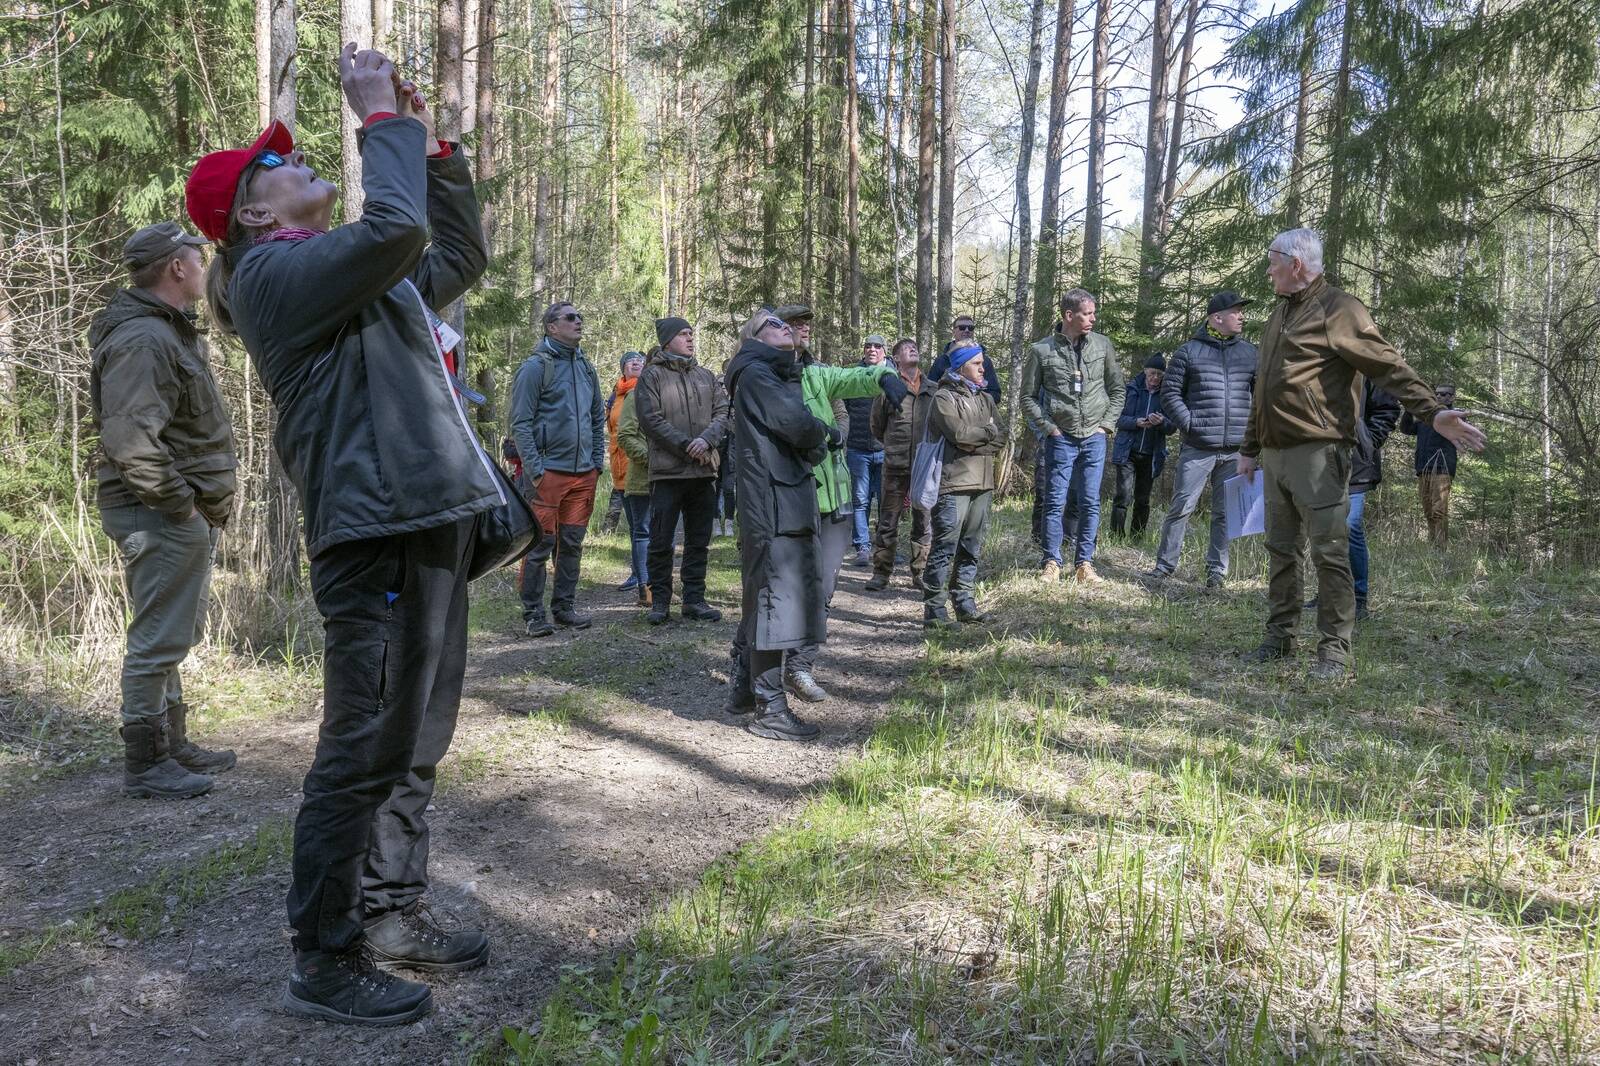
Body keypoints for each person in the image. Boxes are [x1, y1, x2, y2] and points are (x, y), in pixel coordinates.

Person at [189, 45, 493, 1023]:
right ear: (253, 212)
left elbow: (452, 257)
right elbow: (396, 227)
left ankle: (394, 910)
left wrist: (434, 147)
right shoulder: (271, 278)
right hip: (373, 532)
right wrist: (378, 123)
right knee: (359, 742)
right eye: (276, 160)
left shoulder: (348, 275)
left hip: (427, 520)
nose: (296, 156)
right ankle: (322, 957)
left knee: (413, 738)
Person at [1238, 228, 1486, 679]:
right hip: (1274, 456)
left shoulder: (1340, 309)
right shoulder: (1278, 314)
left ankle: (1334, 651)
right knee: (1279, 550)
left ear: (1296, 263)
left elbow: (1387, 366)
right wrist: (1249, 447)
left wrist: (1432, 413)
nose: (1267, 268)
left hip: (1319, 452)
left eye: (1272, 260)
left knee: (1329, 553)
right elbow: (1265, 390)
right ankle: (1278, 639)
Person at [89, 221, 239, 801]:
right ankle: (146, 763)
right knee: (156, 637)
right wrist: (182, 507)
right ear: (177, 268)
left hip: (170, 511)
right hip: (156, 512)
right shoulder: (144, 340)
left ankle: (172, 743)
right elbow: (131, 440)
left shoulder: (164, 332)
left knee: (170, 629)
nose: (203, 267)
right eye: (197, 259)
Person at [775, 303, 904, 704]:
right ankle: (751, 667)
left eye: (806, 324)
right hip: (786, 498)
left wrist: (887, 375)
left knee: (825, 585)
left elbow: (855, 378)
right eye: (794, 324)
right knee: (780, 588)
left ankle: (799, 666)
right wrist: (820, 434)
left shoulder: (817, 373)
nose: (804, 329)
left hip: (832, 500)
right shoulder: (762, 375)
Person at [723, 310, 834, 740]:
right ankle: (770, 709)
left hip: (779, 498)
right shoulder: (757, 374)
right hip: (773, 504)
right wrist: (821, 434)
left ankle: (744, 691)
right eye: (772, 323)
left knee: (764, 596)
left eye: (783, 323)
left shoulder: (769, 374)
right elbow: (798, 425)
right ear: (755, 338)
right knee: (774, 602)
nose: (783, 326)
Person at [1147, 291, 1260, 587]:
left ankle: (1216, 573)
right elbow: (1169, 394)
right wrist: (1190, 424)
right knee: (1181, 507)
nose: (1242, 316)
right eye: (1236, 311)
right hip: (1197, 447)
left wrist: (1253, 436)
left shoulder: (1250, 353)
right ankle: (1164, 566)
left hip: (1236, 449)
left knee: (1225, 514)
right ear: (1217, 317)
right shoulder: (1188, 352)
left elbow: (1261, 398)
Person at [509, 299, 606, 637]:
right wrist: (535, 470)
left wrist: (596, 463)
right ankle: (533, 614)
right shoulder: (535, 368)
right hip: (548, 474)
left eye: (580, 316)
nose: (578, 321)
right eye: (570, 317)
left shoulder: (586, 367)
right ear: (552, 326)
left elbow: (597, 418)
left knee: (572, 544)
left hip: (583, 475)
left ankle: (564, 608)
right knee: (540, 546)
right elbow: (520, 423)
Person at [1021, 288, 1121, 583]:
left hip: (1094, 436)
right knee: (1055, 500)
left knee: (1090, 501)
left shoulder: (1102, 346)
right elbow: (1027, 398)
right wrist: (1048, 428)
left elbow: (1117, 390)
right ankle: (1051, 561)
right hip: (1060, 437)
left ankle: (1084, 564)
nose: (1093, 318)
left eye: (1093, 313)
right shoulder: (1042, 351)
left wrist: (1106, 426)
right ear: (1069, 315)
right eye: (1087, 313)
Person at [635, 316, 730, 625]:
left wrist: (706, 440)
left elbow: (723, 412)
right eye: (684, 334)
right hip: (667, 473)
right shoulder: (651, 376)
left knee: (698, 540)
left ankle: (694, 600)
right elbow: (651, 419)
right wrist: (688, 445)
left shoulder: (706, 375)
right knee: (661, 540)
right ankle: (660, 601)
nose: (690, 338)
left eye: (691, 334)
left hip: (703, 473)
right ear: (667, 340)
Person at [1307, 379, 1400, 621]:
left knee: (1351, 526)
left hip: (1357, 462)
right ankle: (1327, 592)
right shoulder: (1318, 358)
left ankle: (1359, 599)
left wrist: (1367, 441)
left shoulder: (1367, 363)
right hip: (1318, 460)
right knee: (1324, 528)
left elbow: (1387, 409)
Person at [923, 344, 1001, 629]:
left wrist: (980, 437)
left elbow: (1001, 436)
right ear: (960, 366)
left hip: (984, 482)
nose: (983, 368)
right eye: (977, 363)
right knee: (945, 547)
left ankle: (965, 604)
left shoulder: (985, 399)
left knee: (972, 546)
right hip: (953, 484)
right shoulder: (943, 397)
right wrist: (986, 434)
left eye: (983, 363)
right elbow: (958, 434)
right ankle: (934, 611)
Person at [864, 338, 934, 592]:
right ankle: (881, 573)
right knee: (888, 520)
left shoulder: (931, 388)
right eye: (906, 348)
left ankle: (921, 573)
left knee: (923, 521)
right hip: (895, 466)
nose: (913, 349)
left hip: (924, 468)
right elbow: (876, 426)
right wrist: (893, 446)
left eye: (915, 346)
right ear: (895, 359)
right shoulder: (888, 391)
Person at [1109, 353, 1176, 537]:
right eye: (1152, 373)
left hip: (1151, 454)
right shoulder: (1130, 389)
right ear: (1145, 371)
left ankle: (1137, 537)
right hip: (1127, 451)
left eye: (1159, 375)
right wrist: (1136, 422)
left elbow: (1172, 428)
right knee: (1123, 496)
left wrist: (1161, 422)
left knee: (1143, 499)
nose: (1155, 378)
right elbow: (1116, 419)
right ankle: (1116, 536)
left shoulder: (1167, 396)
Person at [843, 334, 890, 567]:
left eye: (876, 346)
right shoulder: (853, 374)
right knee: (859, 500)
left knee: (885, 501)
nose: (871, 349)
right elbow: (843, 408)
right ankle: (862, 547)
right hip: (857, 447)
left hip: (886, 449)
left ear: (884, 351)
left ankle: (884, 548)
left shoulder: (894, 374)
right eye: (868, 346)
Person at [1401, 384, 1460, 546]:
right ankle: (1433, 544)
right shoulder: (1425, 418)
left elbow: (1459, 425)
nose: (1439, 396)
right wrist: (1409, 409)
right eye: (1437, 394)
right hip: (1423, 467)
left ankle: (1441, 548)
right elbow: (1406, 429)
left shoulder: (1452, 417)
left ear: (1452, 397)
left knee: (1439, 509)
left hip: (1442, 467)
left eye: (1444, 394)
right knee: (1428, 509)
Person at [608, 351, 646, 591]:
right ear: (623, 367)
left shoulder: (647, 391)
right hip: (618, 467)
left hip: (639, 467)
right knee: (635, 526)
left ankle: (646, 577)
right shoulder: (615, 395)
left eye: (640, 361)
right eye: (631, 361)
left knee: (643, 526)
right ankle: (637, 573)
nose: (636, 363)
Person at [615, 373, 654, 608]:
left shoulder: (670, 395)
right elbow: (625, 435)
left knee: (665, 536)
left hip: (670, 478)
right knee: (643, 532)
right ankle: (646, 589)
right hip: (641, 479)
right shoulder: (635, 395)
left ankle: (660, 586)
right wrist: (652, 459)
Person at [929, 313, 1001, 402]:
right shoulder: (941, 361)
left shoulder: (985, 361)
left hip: (977, 413)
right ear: (953, 331)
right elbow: (930, 391)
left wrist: (975, 402)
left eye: (971, 328)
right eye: (962, 327)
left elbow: (995, 394)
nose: (967, 330)